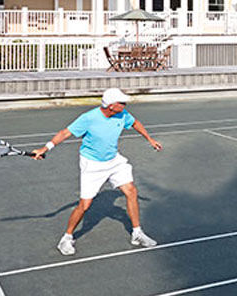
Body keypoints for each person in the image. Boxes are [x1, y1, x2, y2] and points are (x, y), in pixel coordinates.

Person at [33, 87, 163, 255]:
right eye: (121, 103)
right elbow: (65, 133)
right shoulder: (89, 118)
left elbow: (135, 123)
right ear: (111, 106)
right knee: (84, 206)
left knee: (131, 191)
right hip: (92, 165)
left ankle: (137, 233)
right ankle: (66, 238)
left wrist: (150, 139)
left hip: (114, 160)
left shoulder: (122, 115)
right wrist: (45, 148)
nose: (125, 105)